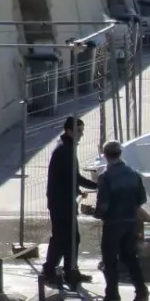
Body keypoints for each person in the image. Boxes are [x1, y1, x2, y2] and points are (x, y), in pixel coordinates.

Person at [91, 140, 149, 301]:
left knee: (110, 259)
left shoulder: (105, 177)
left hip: (113, 223)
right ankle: (141, 290)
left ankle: (112, 295)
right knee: (130, 257)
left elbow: (103, 204)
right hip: (130, 221)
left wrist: (95, 213)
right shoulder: (133, 173)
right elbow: (142, 199)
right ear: (120, 154)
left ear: (105, 155)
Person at [41, 117, 91, 288]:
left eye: (82, 131)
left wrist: (77, 190)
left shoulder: (67, 148)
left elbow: (67, 177)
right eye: (79, 131)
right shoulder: (64, 150)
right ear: (68, 131)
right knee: (62, 238)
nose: (81, 135)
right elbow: (74, 177)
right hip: (61, 203)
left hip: (63, 200)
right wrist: (99, 184)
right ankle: (50, 270)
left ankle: (70, 271)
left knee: (71, 238)